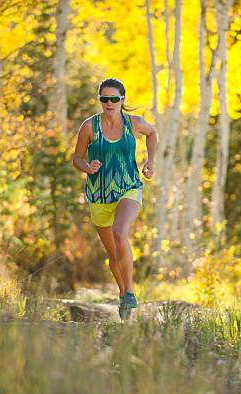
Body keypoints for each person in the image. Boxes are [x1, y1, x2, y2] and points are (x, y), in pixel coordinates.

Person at [72, 78, 157, 319]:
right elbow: (76, 158)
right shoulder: (89, 127)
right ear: (100, 100)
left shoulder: (134, 123)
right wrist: (87, 167)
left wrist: (150, 161)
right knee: (113, 255)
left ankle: (129, 291)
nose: (108, 103)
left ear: (122, 100)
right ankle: (123, 296)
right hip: (99, 195)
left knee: (120, 232)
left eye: (113, 99)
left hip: (128, 187)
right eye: (104, 99)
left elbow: (152, 134)